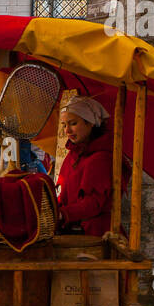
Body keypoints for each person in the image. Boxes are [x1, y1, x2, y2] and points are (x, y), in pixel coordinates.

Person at [56, 95, 115, 237]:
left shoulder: (100, 158)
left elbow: (94, 203)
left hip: (93, 234)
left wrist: (63, 214)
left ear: (90, 123)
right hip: (71, 230)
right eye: (64, 125)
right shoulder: (72, 155)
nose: (67, 131)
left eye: (73, 123)